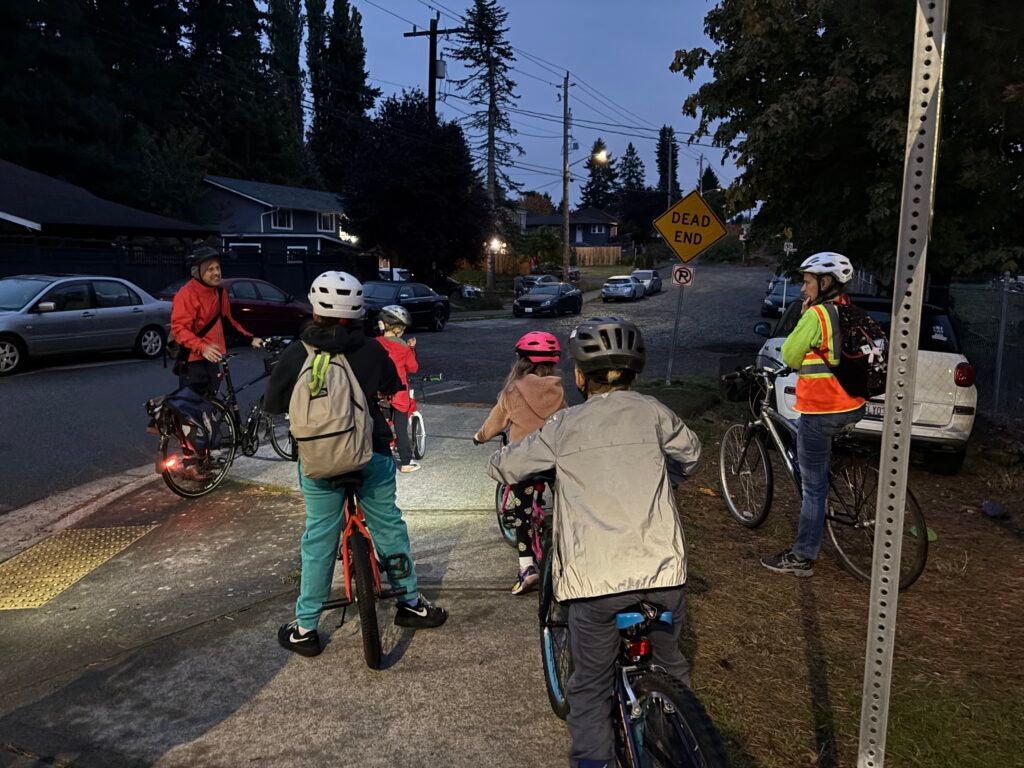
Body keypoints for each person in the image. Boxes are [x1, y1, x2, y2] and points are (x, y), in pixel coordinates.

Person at [486, 318, 701, 768]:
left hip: (596, 583)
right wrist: (669, 477)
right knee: (671, 667)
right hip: (663, 573)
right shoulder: (655, 411)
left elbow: (510, 466)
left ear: (581, 377)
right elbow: (692, 455)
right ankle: (676, 741)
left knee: (589, 685)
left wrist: (496, 458)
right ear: (634, 375)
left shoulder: (565, 425)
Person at [264, 271, 448, 658]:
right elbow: (390, 388)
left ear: (315, 308)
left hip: (318, 462)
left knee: (318, 539)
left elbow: (274, 404)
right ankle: (411, 603)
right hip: (372, 452)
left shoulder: (298, 352)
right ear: (356, 310)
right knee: (388, 526)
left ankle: (306, 628)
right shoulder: (371, 348)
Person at [761, 252, 867, 577]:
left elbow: (791, 355)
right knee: (812, 457)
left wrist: (804, 318)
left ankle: (802, 556)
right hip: (852, 404)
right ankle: (826, 480)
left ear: (825, 283)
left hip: (823, 408)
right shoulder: (848, 309)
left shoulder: (817, 314)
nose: (804, 288)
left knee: (813, 488)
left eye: (808, 282)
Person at [474, 332, 566, 595]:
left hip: (524, 464)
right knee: (564, 501)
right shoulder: (558, 388)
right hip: (552, 460)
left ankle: (527, 568)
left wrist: (480, 437)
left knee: (521, 512)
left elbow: (495, 423)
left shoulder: (513, 390)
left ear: (521, 362)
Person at [170, 246, 261, 395]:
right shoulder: (186, 294)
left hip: (213, 357)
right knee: (193, 410)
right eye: (210, 269)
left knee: (211, 405)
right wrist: (202, 347)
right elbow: (179, 329)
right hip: (193, 361)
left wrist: (250, 339)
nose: (217, 273)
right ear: (198, 272)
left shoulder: (219, 292)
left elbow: (227, 322)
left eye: (218, 267)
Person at [375, 305, 421, 473]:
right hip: (399, 393)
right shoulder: (403, 347)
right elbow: (413, 368)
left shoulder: (376, 344)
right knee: (400, 427)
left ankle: (378, 458)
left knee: (378, 424)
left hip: (379, 391)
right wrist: (412, 349)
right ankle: (406, 462)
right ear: (398, 328)